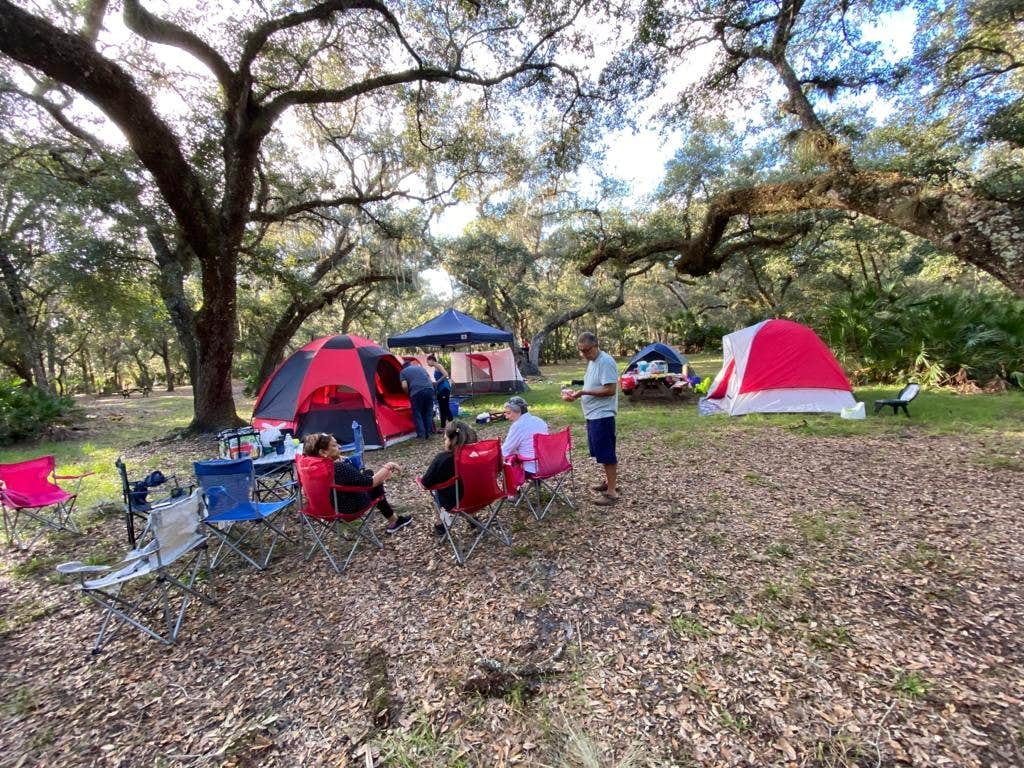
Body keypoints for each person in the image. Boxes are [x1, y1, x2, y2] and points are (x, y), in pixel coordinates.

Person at [302, 432, 412, 532]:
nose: (339, 447)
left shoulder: (311, 469)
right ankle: (394, 519)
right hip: (347, 510)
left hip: (323, 511)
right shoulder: (338, 468)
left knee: (368, 473)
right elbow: (371, 483)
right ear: (323, 452)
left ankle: (389, 512)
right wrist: (389, 466)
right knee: (372, 480)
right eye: (334, 445)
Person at [564, 331, 620, 506]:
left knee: (607, 453)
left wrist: (583, 392)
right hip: (593, 415)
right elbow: (594, 383)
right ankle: (609, 482)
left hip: (602, 415)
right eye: (581, 351)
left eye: (587, 350)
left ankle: (612, 492)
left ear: (596, 345)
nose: (584, 354)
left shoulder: (606, 362)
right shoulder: (593, 361)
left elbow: (610, 389)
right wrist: (576, 392)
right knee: (601, 452)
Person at [420, 420, 478, 537]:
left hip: (454, 502)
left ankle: (442, 524)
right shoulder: (478, 454)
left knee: (437, 497)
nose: (444, 441)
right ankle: (473, 520)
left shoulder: (443, 459)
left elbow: (426, 483)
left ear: (452, 440)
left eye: (445, 439)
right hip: (480, 496)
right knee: (464, 488)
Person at [499, 396, 548, 474]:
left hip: (531, 468)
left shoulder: (517, 426)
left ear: (518, 411)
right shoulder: (539, 420)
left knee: (501, 459)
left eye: (509, 413)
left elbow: (506, 450)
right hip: (547, 464)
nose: (507, 417)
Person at [400, 359, 436, 439]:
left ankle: (421, 434)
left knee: (417, 413)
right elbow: (429, 380)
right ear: (410, 365)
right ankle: (429, 431)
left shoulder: (403, 372)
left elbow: (404, 386)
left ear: (403, 367)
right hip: (430, 390)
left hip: (416, 392)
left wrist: (408, 394)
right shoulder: (420, 368)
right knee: (428, 411)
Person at [426, 354, 453, 430]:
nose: (427, 364)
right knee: (441, 408)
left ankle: (452, 424)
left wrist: (437, 382)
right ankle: (443, 426)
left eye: (428, 362)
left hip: (444, 388)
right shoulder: (435, 368)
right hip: (440, 389)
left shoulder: (438, 365)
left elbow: (446, 374)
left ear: (432, 360)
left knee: (445, 407)